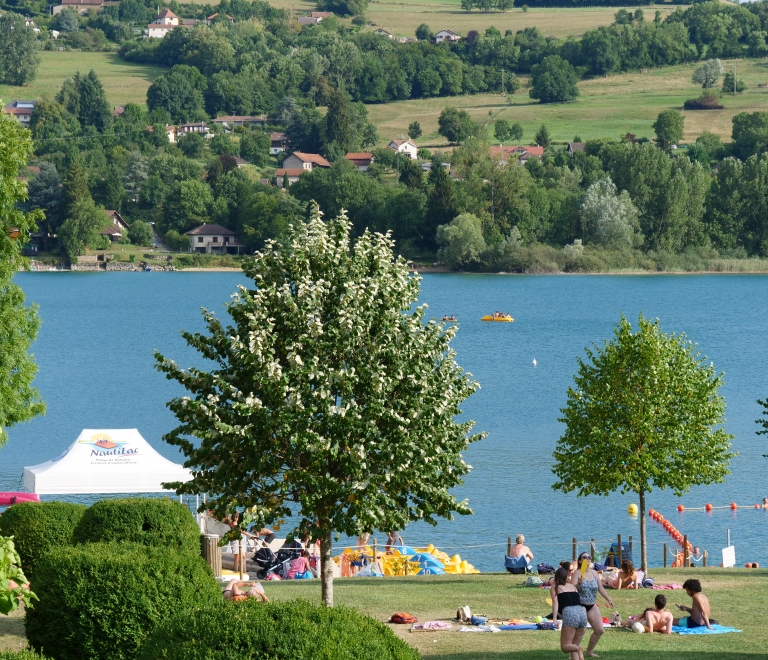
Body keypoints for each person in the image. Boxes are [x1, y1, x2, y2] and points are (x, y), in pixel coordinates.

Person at [572, 552, 614, 657]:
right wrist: (578, 584)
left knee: (599, 630)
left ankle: (589, 652)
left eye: (589, 557)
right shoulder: (577, 573)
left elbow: (600, 588)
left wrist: (608, 599)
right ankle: (573, 654)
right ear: (580, 561)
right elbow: (571, 589)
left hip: (592, 604)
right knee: (581, 631)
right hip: (580, 605)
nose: (587, 559)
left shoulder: (595, 573)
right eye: (584, 557)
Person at [551, 566, 586, 660]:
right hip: (582, 612)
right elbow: (573, 592)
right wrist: (578, 583)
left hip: (570, 613)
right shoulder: (572, 586)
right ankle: (577, 649)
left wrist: (554, 619)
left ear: (556, 577)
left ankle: (578, 649)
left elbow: (555, 603)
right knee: (573, 644)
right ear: (567, 577)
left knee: (565, 646)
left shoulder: (555, 587)